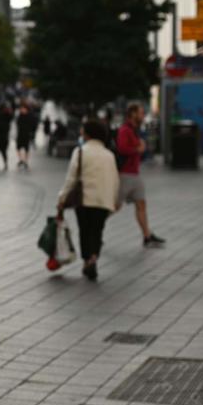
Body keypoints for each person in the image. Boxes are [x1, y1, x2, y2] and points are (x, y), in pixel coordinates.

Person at [57, 119, 120, 281]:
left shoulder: (80, 152)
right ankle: (94, 257)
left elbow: (71, 178)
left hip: (84, 199)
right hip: (103, 200)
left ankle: (87, 260)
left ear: (88, 134)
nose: (81, 134)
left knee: (85, 230)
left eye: (83, 131)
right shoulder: (109, 155)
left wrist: (62, 197)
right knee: (97, 231)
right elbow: (115, 179)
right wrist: (115, 199)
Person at [116, 103, 165, 247]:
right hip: (125, 174)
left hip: (134, 174)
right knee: (115, 206)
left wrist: (139, 148)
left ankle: (147, 236)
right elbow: (122, 148)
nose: (143, 116)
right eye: (141, 113)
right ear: (132, 114)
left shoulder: (134, 130)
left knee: (141, 204)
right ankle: (96, 229)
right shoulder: (125, 130)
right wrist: (138, 148)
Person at [15, 103, 38, 169]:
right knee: (18, 147)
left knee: (26, 148)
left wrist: (32, 133)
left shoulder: (30, 116)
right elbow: (17, 124)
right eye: (21, 109)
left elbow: (34, 125)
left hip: (27, 134)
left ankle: (25, 161)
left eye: (23, 109)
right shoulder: (20, 116)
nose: (22, 110)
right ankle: (21, 160)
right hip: (20, 134)